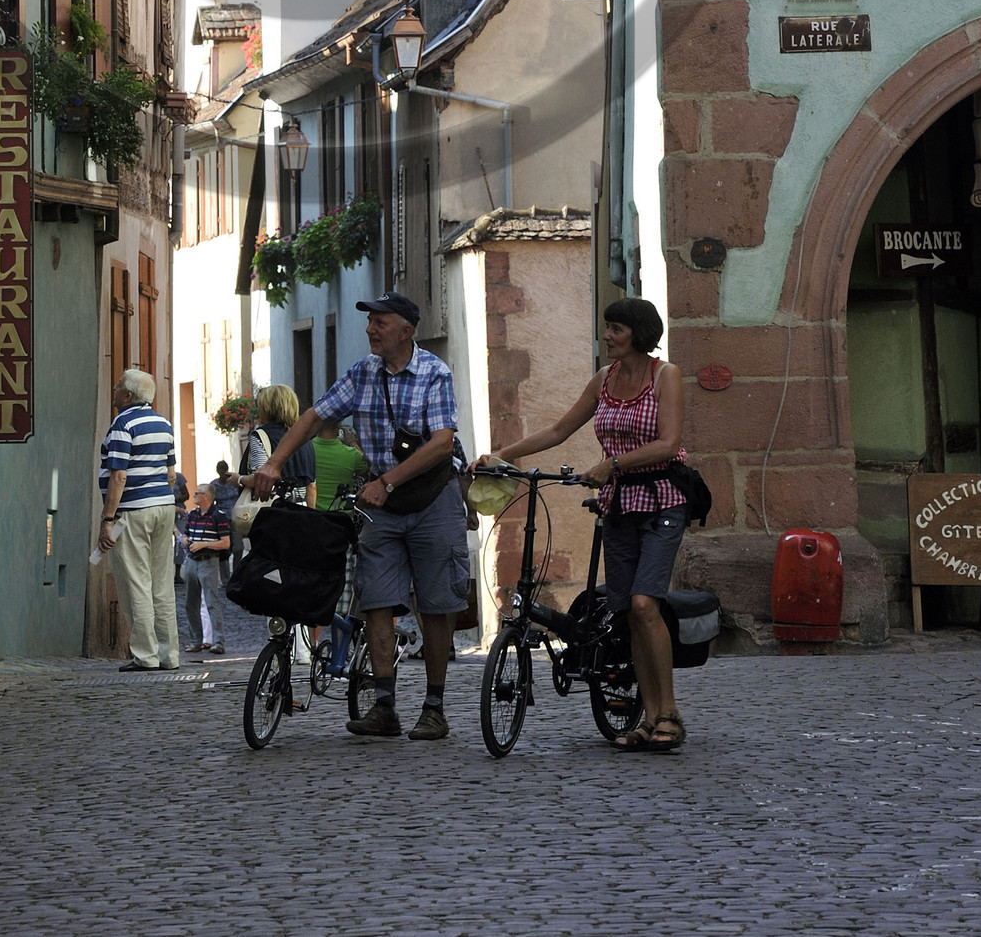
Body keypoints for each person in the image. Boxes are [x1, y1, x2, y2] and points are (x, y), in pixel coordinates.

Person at [252, 292, 465, 742]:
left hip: (430, 499)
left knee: (435, 604)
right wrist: (273, 462)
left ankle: (434, 708)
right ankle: (384, 706)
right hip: (379, 505)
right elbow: (313, 416)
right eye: (369, 322)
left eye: (380, 322)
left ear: (405, 331)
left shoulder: (434, 373)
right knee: (377, 603)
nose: (370, 329)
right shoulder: (363, 373)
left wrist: (386, 482)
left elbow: (442, 443)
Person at [480, 295, 688, 753]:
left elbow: (670, 443)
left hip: (662, 502)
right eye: (606, 328)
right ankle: (650, 718)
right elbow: (559, 430)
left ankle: (670, 711)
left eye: (615, 328)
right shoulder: (605, 380)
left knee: (645, 603)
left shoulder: (664, 376)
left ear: (637, 332)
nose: (607, 336)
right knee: (628, 613)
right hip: (619, 506)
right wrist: (504, 456)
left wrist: (613, 463)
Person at [98, 368, 180, 672]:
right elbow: (171, 473)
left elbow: (119, 475)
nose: (115, 389)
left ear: (128, 396)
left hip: (133, 510)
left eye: (119, 386)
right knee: (161, 584)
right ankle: (169, 654)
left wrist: (109, 518)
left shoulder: (122, 424)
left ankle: (145, 655)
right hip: (163, 505)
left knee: (136, 583)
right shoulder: (164, 423)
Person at [237, 386, 317, 508]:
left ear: (266, 408)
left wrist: (238, 479)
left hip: (273, 513)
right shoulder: (305, 438)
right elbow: (311, 487)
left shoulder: (261, 435)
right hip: (301, 513)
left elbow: (260, 480)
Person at [181, 484, 230, 654]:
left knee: (211, 602)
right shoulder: (193, 515)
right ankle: (196, 640)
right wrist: (185, 540)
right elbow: (186, 534)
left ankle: (218, 642)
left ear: (207, 496)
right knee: (190, 603)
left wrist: (205, 544)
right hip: (192, 562)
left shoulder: (218, 516)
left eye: (197, 494)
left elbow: (226, 542)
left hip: (209, 561)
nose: (193, 496)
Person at [312, 422, 367, 512]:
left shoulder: (307, 449)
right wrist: (352, 442)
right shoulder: (352, 454)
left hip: (312, 514)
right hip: (342, 516)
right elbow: (368, 471)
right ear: (339, 427)